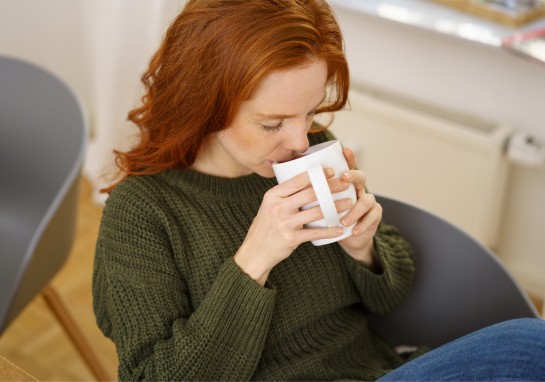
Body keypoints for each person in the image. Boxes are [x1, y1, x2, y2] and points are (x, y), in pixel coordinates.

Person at [92, 0, 545, 381]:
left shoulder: (311, 153)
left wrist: (362, 247)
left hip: (381, 370)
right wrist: (253, 260)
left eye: (309, 114)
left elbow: (390, 300)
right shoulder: (144, 214)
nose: (299, 142)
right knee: (530, 346)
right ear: (202, 103)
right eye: (272, 123)